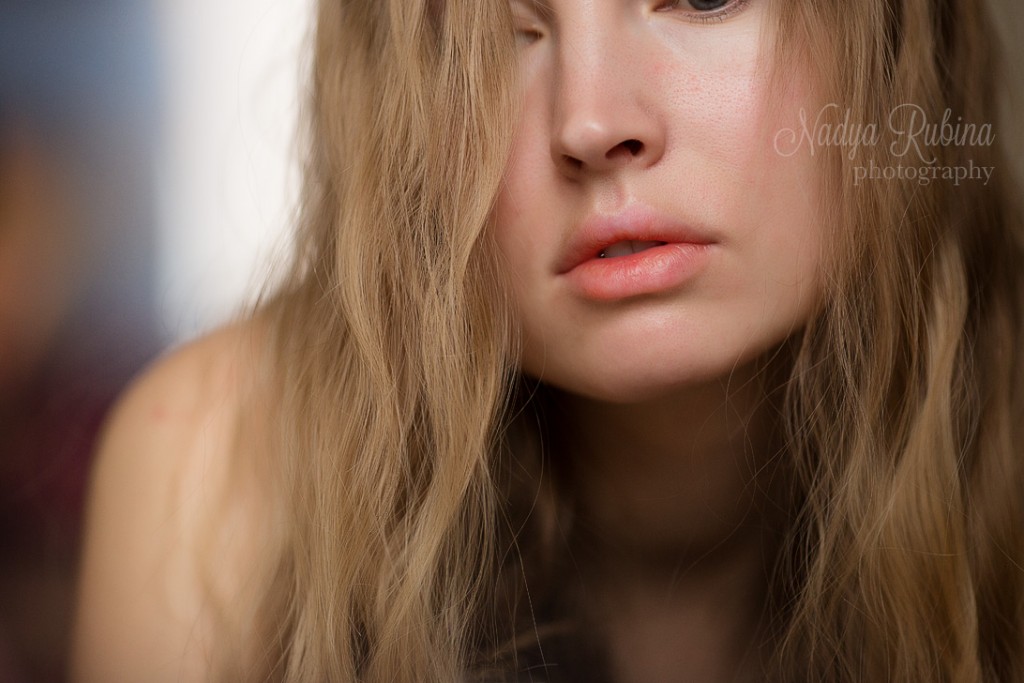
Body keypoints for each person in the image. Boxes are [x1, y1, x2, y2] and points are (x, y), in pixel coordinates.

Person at [70, 0, 1024, 681]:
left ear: (909, 37)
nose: (593, 121)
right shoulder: (220, 458)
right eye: (495, 33)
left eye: (703, 0)